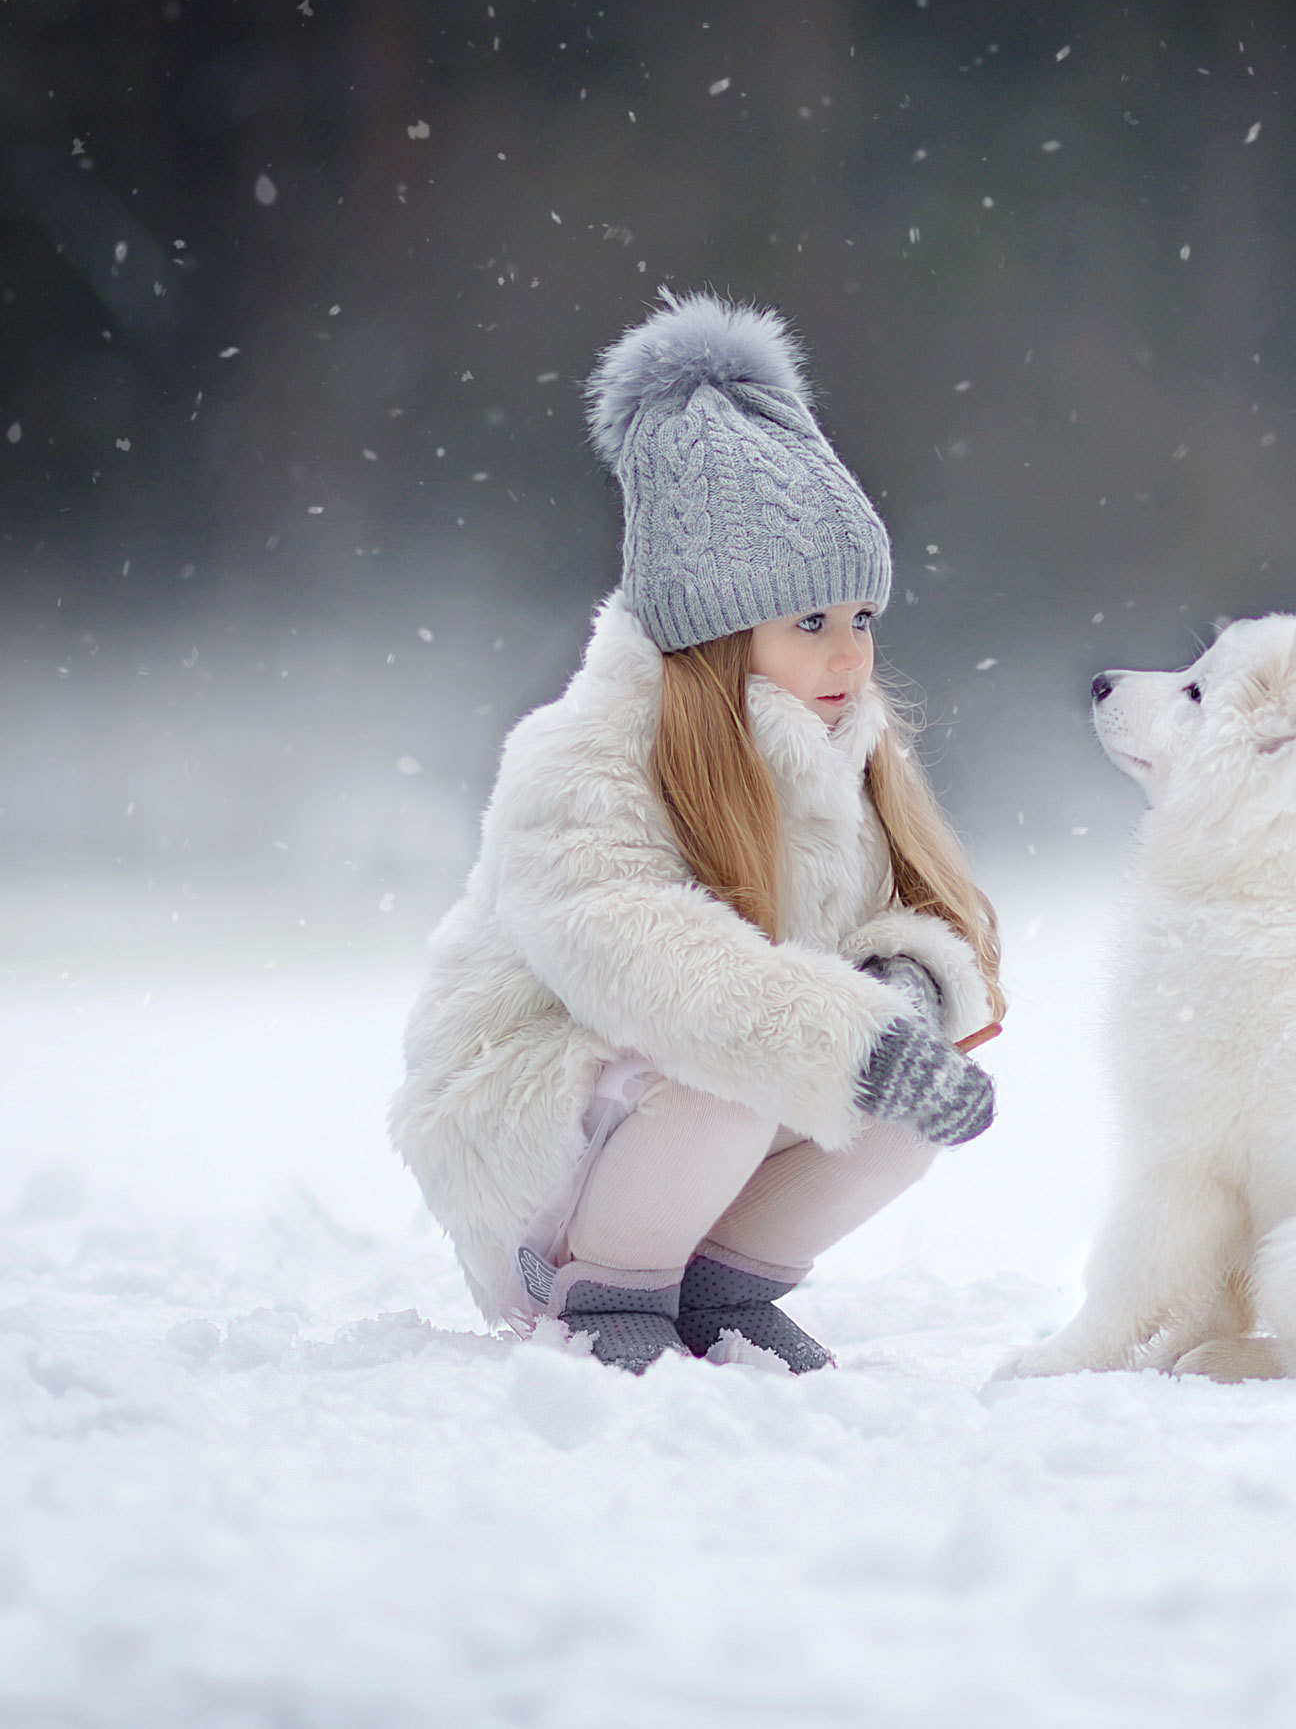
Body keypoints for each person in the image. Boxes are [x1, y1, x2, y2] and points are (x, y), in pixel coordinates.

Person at [388, 291, 1003, 1374]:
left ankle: (719, 1285)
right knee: (728, 1068)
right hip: (531, 1129)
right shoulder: (577, 758)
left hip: (684, 1107)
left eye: (861, 618)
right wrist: (843, 1034)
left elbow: (894, 917)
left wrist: (903, 992)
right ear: (715, 636)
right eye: (808, 623)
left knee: (898, 1111)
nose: (849, 657)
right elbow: (638, 955)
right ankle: (599, 1282)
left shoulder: (833, 757)